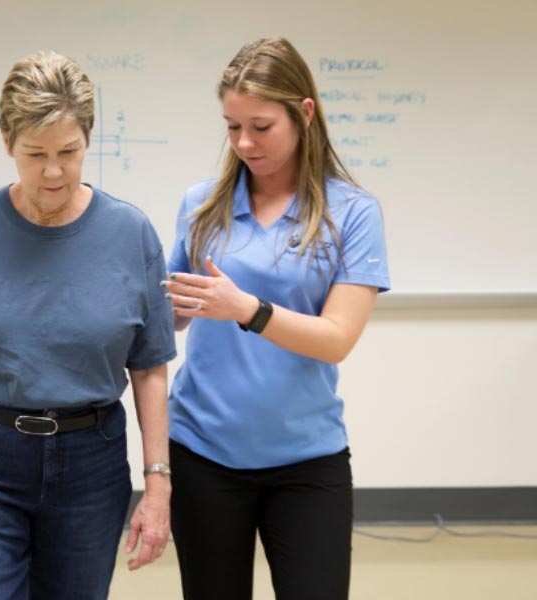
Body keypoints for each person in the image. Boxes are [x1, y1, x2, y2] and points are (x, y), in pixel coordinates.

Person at [0, 51, 176, 599]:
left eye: (69, 153)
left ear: (88, 140)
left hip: (90, 462)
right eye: (36, 154)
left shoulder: (131, 234)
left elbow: (149, 370)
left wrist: (158, 485)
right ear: (8, 145)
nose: (54, 172)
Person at [161, 38, 390, 600]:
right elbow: (171, 316)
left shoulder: (353, 214)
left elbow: (336, 340)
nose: (244, 142)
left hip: (307, 461)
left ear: (304, 113)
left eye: (260, 127)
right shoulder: (201, 205)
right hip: (202, 452)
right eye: (232, 126)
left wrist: (248, 310)